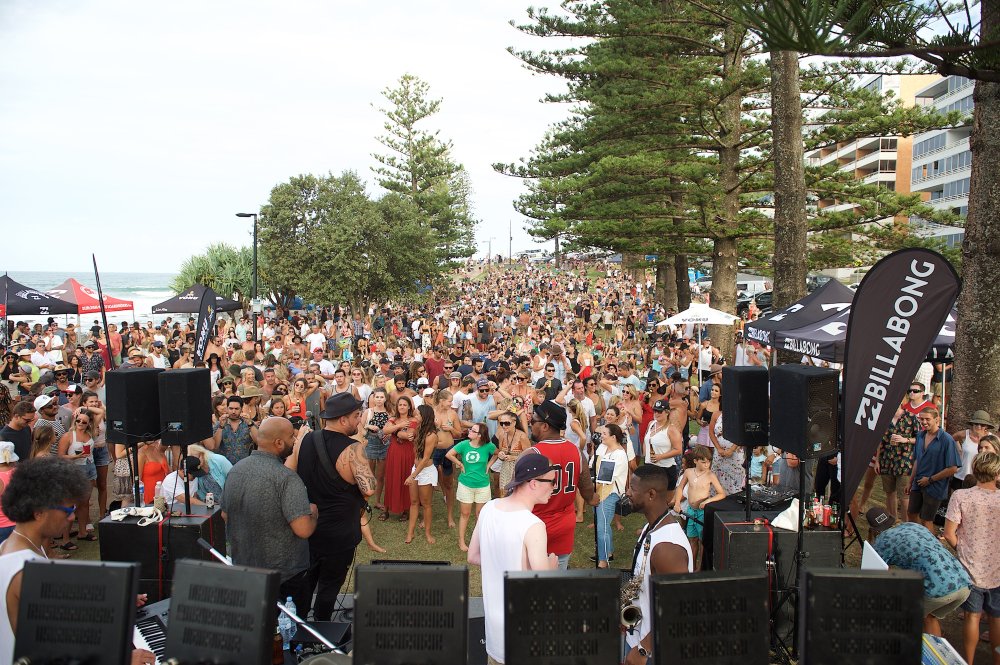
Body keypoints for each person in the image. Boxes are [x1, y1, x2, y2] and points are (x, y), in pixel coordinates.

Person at [0, 457, 155, 665]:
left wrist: (115, 601)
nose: (72, 518)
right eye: (68, 510)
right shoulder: (25, 570)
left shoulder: (21, 547)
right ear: (39, 512)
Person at [467, 452, 560, 665]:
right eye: (552, 482)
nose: (554, 487)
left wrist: (501, 561)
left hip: (494, 632)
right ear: (534, 483)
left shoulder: (489, 507)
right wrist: (551, 566)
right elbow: (541, 583)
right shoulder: (533, 525)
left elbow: (473, 556)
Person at [293, 393, 375, 621]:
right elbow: (369, 488)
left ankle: (299, 630)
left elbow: (292, 471)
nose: (359, 421)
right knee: (329, 588)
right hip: (340, 532)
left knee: (306, 583)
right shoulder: (353, 448)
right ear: (343, 420)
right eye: (357, 416)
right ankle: (321, 634)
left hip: (309, 526)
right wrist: (363, 452)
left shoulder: (306, 440)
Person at [222, 416, 317, 613]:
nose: (294, 441)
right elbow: (303, 529)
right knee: (285, 636)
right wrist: (314, 512)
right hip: (285, 577)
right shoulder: (287, 478)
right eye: (292, 437)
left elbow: (225, 515)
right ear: (279, 443)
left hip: (246, 567)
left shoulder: (236, 470)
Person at [623, 464, 693, 665]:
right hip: (638, 636)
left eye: (633, 489)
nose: (628, 492)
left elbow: (678, 606)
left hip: (653, 651)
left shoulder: (666, 547)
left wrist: (643, 650)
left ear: (651, 494)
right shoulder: (650, 527)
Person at [866, 506, 970, 636]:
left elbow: (875, 576)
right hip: (962, 583)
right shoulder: (914, 526)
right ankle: (934, 652)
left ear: (873, 529)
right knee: (929, 617)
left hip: (936, 589)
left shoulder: (882, 541)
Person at [943, 451, 1000, 664]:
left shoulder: (961, 496)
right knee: (996, 620)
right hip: (997, 568)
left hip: (970, 566)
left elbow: (949, 533)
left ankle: (968, 661)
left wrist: (964, 550)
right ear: (997, 474)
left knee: (972, 617)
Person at [526, 399, 598, 569]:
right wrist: (597, 498)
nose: (531, 424)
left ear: (544, 426)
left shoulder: (531, 453)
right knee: (558, 579)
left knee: (529, 582)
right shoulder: (576, 451)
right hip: (564, 526)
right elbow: (588, 494)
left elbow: (513, 497)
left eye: (533, 421)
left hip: (534, 525)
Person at [673, 445, 725, 571]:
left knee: (702, 542)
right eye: (703, 462)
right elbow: (680, 488)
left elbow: (722, 493)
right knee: (692, 539)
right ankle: (692, 566)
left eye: (708, 462)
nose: (707, 465)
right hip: (691, 511)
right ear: (695, 461)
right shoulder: (688, 472)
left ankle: (701, 568)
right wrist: (677, 503)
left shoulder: (710, 476)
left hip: (702, 513)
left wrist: (708, 501)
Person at [447, 423, 498, 552]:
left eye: (473, 430)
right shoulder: (463, 445)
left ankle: (478, 541)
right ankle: (461, 541)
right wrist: (459, 463)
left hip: (483, 485)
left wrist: (489, 465)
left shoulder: (488, 446)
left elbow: (497, 453)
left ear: (479, 436)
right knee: (465, 513)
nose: (469, 431)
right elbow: (449, 454)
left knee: (479, 515)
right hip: (466, 484)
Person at [908, 407, 960, 532]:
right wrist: (910, 482)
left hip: (935, 487)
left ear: (937, 419)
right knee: (911, 514)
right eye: (921, 419)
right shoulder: (920, 436)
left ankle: (928, 546)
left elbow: (953, 468)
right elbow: (917, 460)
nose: (924, 422)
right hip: (918, 482)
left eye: (927, 419)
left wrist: (930, 480)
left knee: (927, 519)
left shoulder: (947, 440)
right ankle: (915, 540)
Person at [591, 423, 629, 568]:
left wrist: (590, 483)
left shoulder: (619, 454)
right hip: (600, 491)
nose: (601, 436)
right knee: (604, 524)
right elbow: (592, 466)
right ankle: (608, 553)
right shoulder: (603, 448)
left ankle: (603, 560)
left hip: (610, 494)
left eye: (604, 434)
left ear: (613, 437)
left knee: (602, 527)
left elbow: (606, 477)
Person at [404, 404, 439, 545]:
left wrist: (412, 476)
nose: (415, 416)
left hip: (426, 472)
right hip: (416, 469)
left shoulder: (431, 435)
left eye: (418, 414)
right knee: (413, 502)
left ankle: (428, 533)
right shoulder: (419, 429)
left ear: (424, 416)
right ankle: (410, 533)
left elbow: (425, 459)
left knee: (426, 504)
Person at [209, 395, 258, 465]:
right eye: (231, 408)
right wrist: (221, 427)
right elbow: (215, 447)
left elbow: (258, 441)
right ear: (227, 408)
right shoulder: (219, 424)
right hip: (225, 466)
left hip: (245, 465)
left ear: (241, 409)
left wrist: (250, 424)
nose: (233, 411)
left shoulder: (249, 423)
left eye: (237, 409)